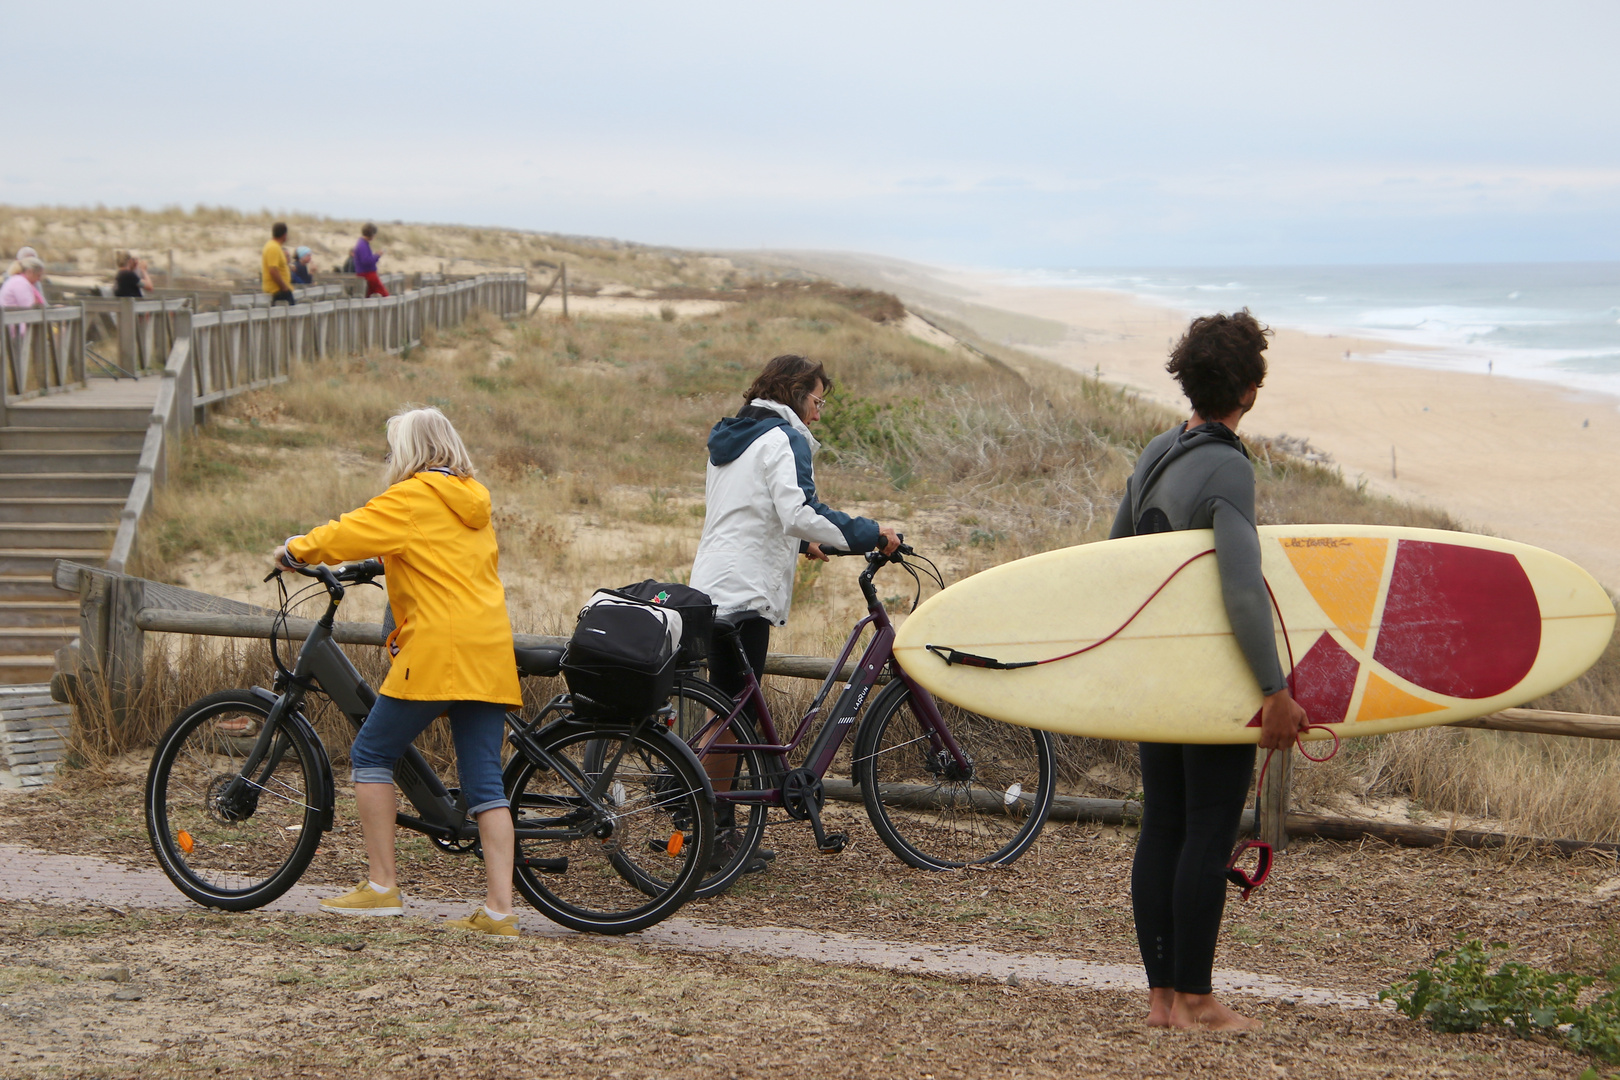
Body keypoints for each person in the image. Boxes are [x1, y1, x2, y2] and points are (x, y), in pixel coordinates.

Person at [1110, 309, 1310, 1031]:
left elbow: (1112, 557)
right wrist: (1273, 689)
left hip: (1158, 678)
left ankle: (1163, 998)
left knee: (1162, 825)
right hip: (1212, 679)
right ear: (1250, 391)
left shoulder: (1156, 453)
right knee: (1208, 828)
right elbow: (1240, 585)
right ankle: (1196, 1000)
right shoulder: (1227, 465)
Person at [272, 406, 523, 938]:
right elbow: (441, 556)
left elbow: (346, 531)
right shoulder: (472, 501)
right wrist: (381, 563)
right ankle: (500, 911)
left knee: (370, 753)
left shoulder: (411, 497)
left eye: (393, 449)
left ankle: (383, 885)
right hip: (488, 650)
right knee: (484, 783)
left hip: (437, 650)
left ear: (409, 451)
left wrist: (294, 550)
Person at [690, 354, 899, 873]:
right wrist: (872, 533)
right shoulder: (784, 438)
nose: (819, 414)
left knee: (729, 706)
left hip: (716, 583)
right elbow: (798, 509)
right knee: (733, 715)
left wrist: (803, 543)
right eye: (817, 400)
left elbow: (750, 508)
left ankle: (712, 826)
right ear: (793, 393)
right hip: (747, 592)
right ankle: (703, 829)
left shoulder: (736, 434)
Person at [262, 222, 294, 305]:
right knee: (291, 315)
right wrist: (284, 288)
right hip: (277, 290)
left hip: (279, 289)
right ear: (284, 235)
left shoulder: (274, 246)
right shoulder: (273, 247)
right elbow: (273, 270)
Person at [353, 223, 388, 297]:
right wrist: (377, 256)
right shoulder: (362, 245)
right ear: (371, 234)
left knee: (370, 297)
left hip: (366, 274)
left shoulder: (363, 243)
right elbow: (366, 261)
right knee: (384, 296)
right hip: (368, 274)